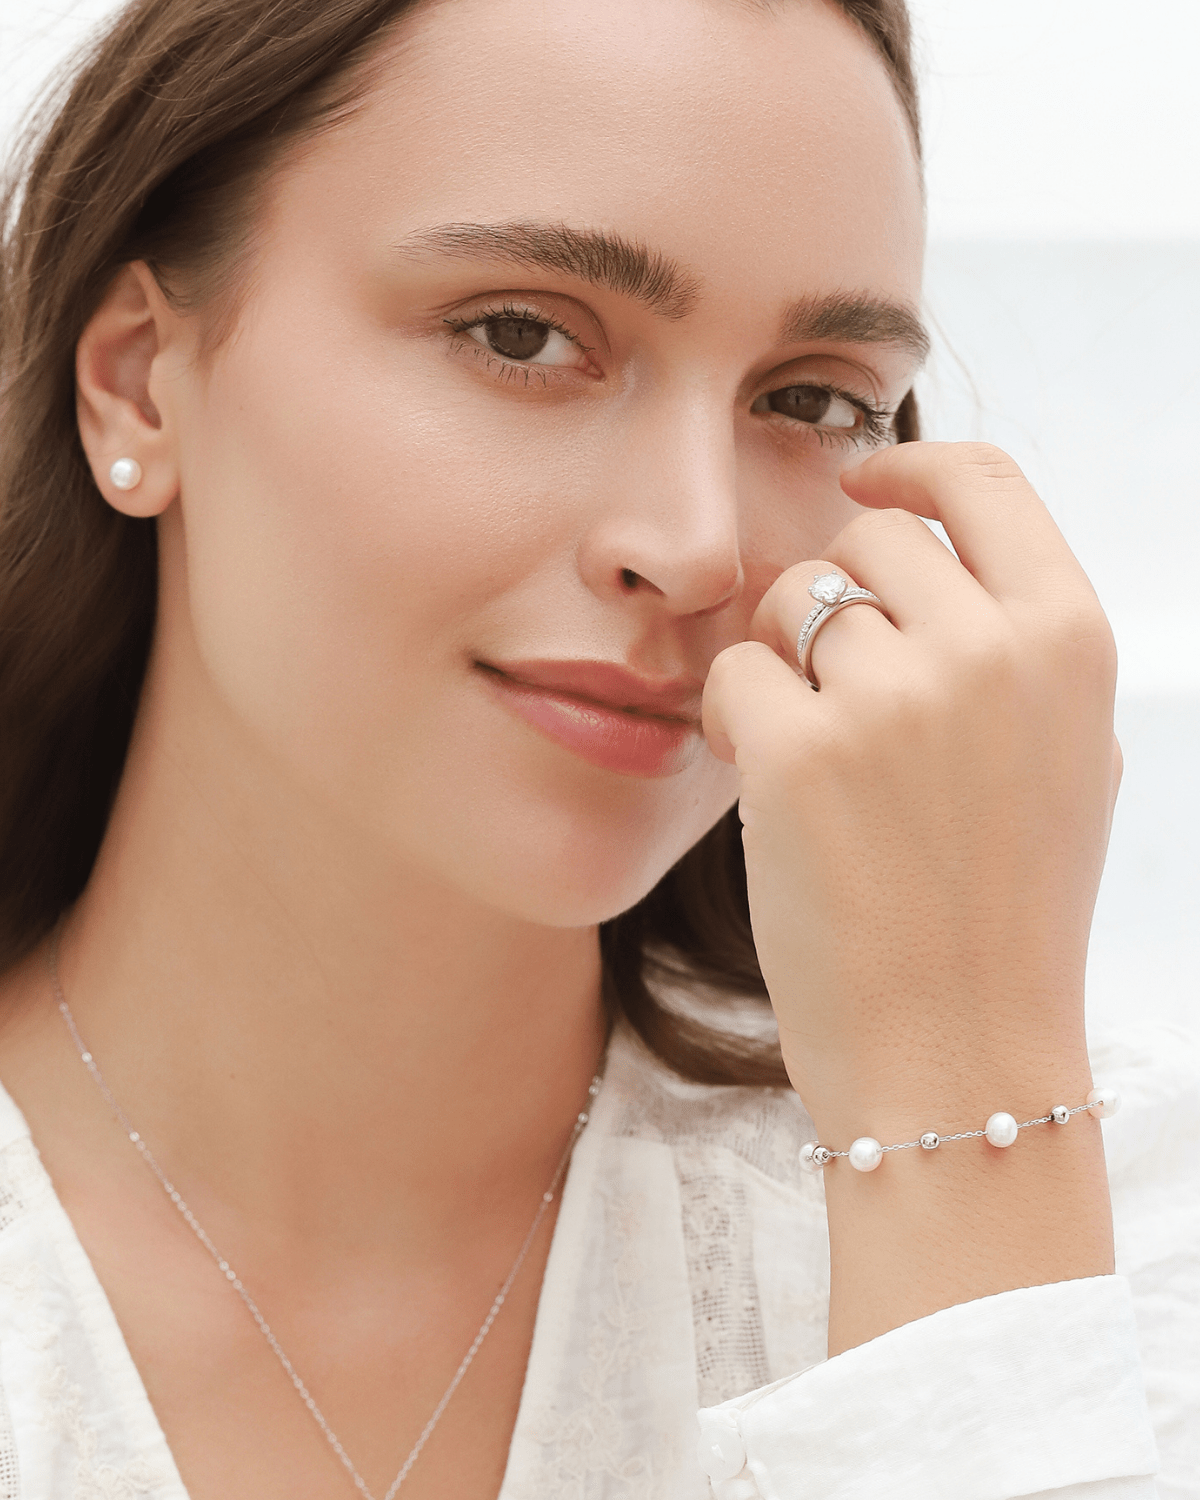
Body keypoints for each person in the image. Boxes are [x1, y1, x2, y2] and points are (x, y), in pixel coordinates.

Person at [0, 0, 1195, 1495]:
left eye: (812, 399)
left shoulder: (1117, 1244)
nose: (695, 543)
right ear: (134, 378)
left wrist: (958, 1139)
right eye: (522, 335)